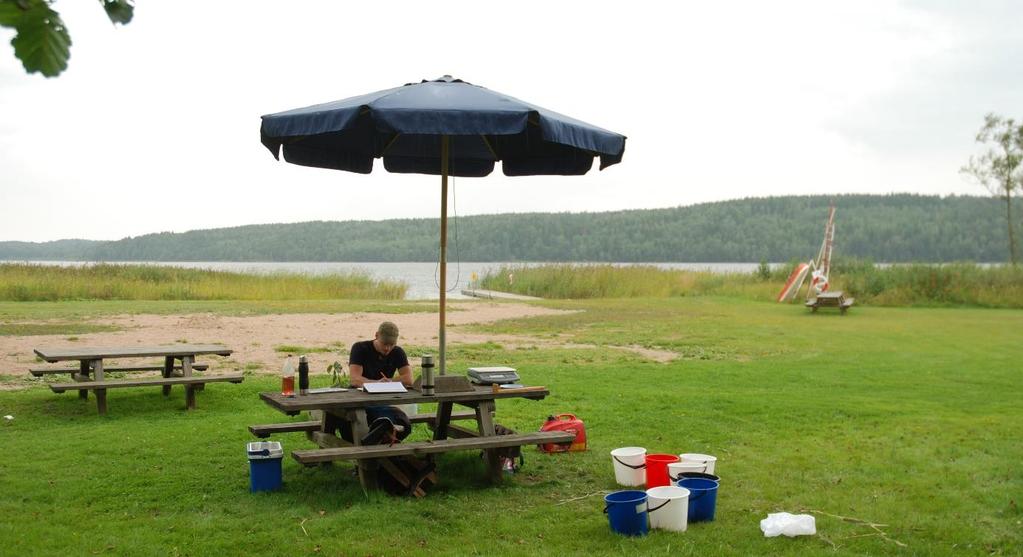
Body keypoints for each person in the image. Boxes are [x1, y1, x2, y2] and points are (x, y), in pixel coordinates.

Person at [328, 321, 414, 444]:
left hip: (382, 400)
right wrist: (377, 383)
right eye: (385, 344)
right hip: (358, 398)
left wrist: (389, 381)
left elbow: (409, 379)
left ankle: (379, 441)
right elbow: (355, 379)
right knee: (361, 416)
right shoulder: (360, 348)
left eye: (392, 345)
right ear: (376, 335)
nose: (387, 348)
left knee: (402, 421)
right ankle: (376, 441)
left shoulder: (398, 352)